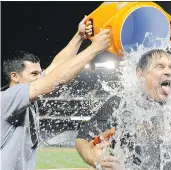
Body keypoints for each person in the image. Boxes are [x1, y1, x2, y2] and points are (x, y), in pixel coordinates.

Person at [75, 20, 171, 170]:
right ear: (140, 74)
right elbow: (82, 139)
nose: (168, 71)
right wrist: (95, 161)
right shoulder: (122, 104)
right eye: (159, 66)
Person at [1, 15, 111, 170]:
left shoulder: (26, 96)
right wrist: (93, 49)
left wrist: (79, 37)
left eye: (40, 73)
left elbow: (56, 66)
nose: (40, 77)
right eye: (34, 74)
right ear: (14, 76)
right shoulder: (6, 99)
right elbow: (55, 80)